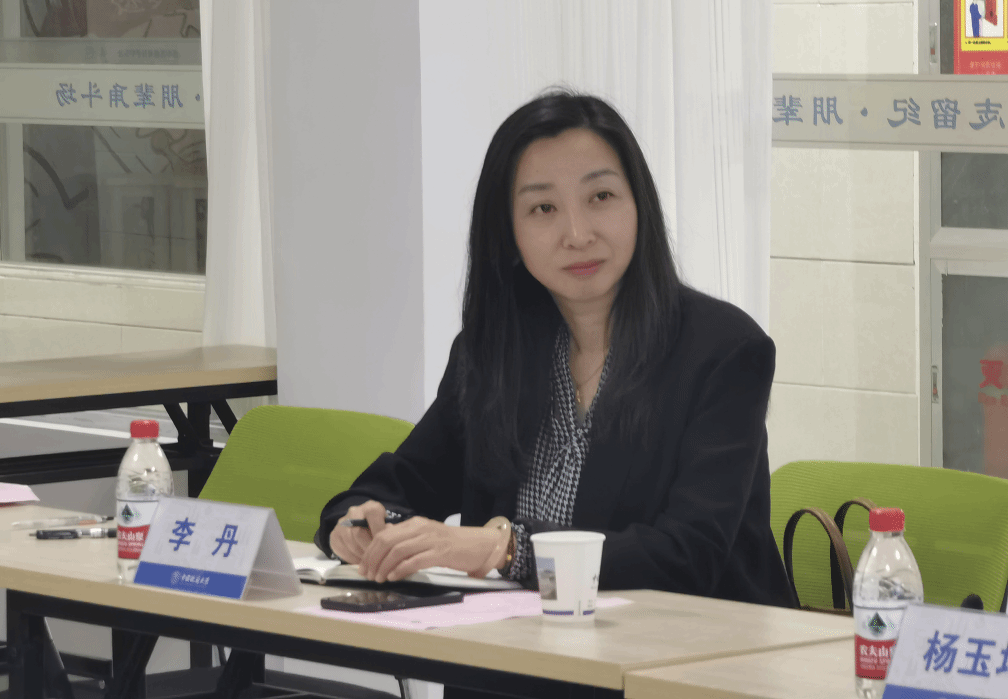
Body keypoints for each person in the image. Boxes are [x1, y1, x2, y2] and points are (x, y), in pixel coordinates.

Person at [316, 91, 793, 620]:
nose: (578, 235)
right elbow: (401, 483)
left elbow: (688, 554)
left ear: (639, 204)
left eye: (601, 197)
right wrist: (357, 524)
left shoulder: (723, 350)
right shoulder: (492, 349)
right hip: (524, 648)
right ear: (509, 232)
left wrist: (506, 549)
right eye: (543, 208)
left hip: (691, 647)